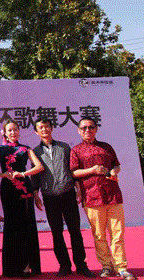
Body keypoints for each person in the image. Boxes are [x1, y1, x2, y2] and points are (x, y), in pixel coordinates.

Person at [71, 117, 135, 280]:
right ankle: (106, 265)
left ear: (96, 129)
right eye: (84, 128)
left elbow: (116, 165)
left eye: (91, 127)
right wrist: (92, 170)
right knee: (99, 235)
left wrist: (114, 171)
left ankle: (121, 267)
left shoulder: (106, 147)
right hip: (91, 196)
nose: (87, 130)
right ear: (79, 131)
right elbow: (73, 172)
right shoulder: (76, 150)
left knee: (117, 234)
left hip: (113, 195)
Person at [31, 118, 94, 278]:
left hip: (68, 194)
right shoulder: (35, 152)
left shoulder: (64, 147)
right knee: (56, 233)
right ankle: (64, 265)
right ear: (36, 132)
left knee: (75, 231)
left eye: (46, 126)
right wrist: (36, 195)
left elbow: (72, 169)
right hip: (50, 196)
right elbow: (35, 175)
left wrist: (78, 189)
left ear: (51, 128)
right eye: (40, 128)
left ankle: (81, 265)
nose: (44, 130)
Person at [0, 119, 44, 278]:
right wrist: (3, 174)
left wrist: (23, 173)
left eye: (15, 129)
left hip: (24, 190)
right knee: (11, 225)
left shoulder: (26, 149)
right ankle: (11, 266)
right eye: (9, 130)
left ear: (19, 131)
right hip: (8, 189)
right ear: (4, 133)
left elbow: (39, 167)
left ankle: (26, 266)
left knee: (25, 225)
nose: (13, 132)